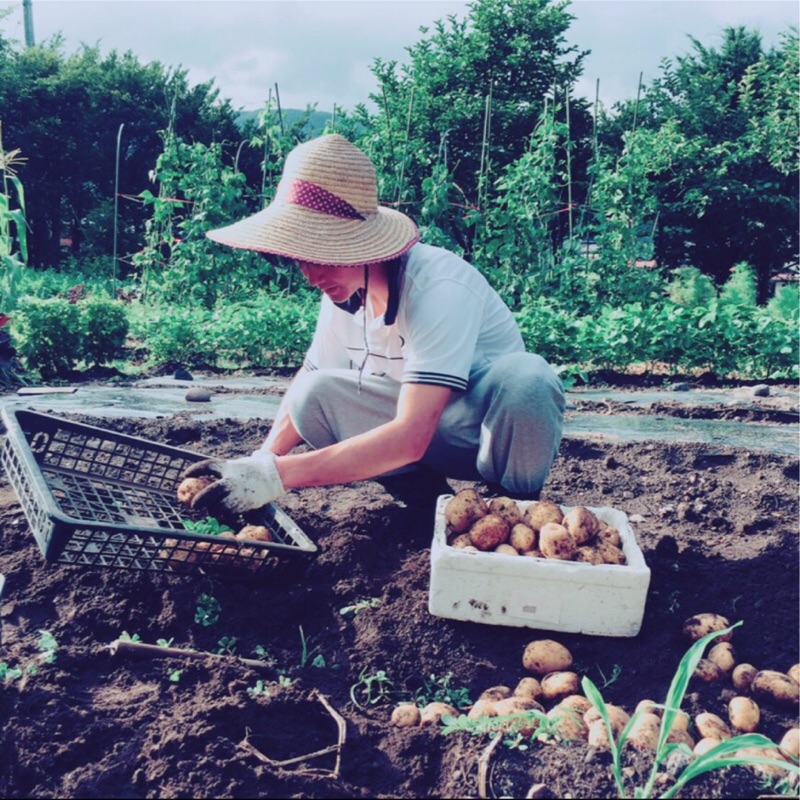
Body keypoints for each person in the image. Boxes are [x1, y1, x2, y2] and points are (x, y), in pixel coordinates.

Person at [185, 133, 565, 515]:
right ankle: (426, 502)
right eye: (300, 257)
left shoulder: (438, 286)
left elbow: (412, 436)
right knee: (311, 394)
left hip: (479, 437)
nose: (311, 276)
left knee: (528, 377)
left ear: (361, 245)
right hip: (412, 430)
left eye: (321, 255)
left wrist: (277, 475)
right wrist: (260, 460)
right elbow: (312, 375)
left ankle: (513, 507)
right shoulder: (343, 292)